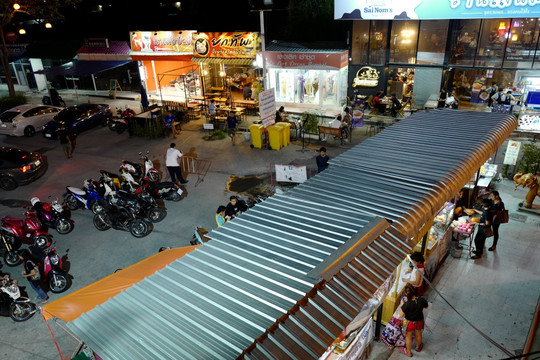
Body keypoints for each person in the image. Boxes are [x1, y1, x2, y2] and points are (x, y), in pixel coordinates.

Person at [399, 286, 428, 357]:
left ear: (407, 295)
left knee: (408, 336)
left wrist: (402, 305)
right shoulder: (421, 300)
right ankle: (418, 347)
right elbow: (426, 306)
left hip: (410, 323)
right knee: (418, 333)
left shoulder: (406, 305)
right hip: (419, 321)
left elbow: (401, 315)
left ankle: (408, 352)